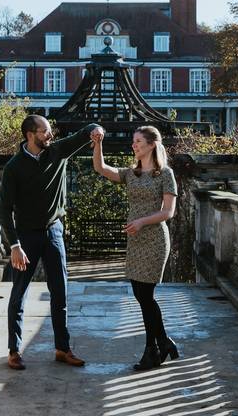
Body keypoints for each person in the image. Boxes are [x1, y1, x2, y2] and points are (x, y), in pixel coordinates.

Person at [0, 115, 103, 371]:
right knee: (19, 293)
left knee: (60, 292)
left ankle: (62, 348)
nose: (50, 135)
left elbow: (85, 130)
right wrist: (14, 246)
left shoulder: (57, 151)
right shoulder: (13, 167)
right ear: (30, 135)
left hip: (54, 232)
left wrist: (96, 129)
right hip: (26, 237)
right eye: (45, 132)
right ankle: (14, 350)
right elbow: (4, 212)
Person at [90, 125, 179, 370]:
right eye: (133, 141)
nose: (134, 145)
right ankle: (160, 343)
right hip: (136, 240)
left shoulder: (165, 174)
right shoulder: (132, 173)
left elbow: (168, 212)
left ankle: (155, 347)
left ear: (151, 144)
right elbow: (101, 168)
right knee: (141, 296)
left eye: (138, 141)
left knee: (146, 296)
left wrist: (141, 221)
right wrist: (98, 144)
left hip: (154, 240)